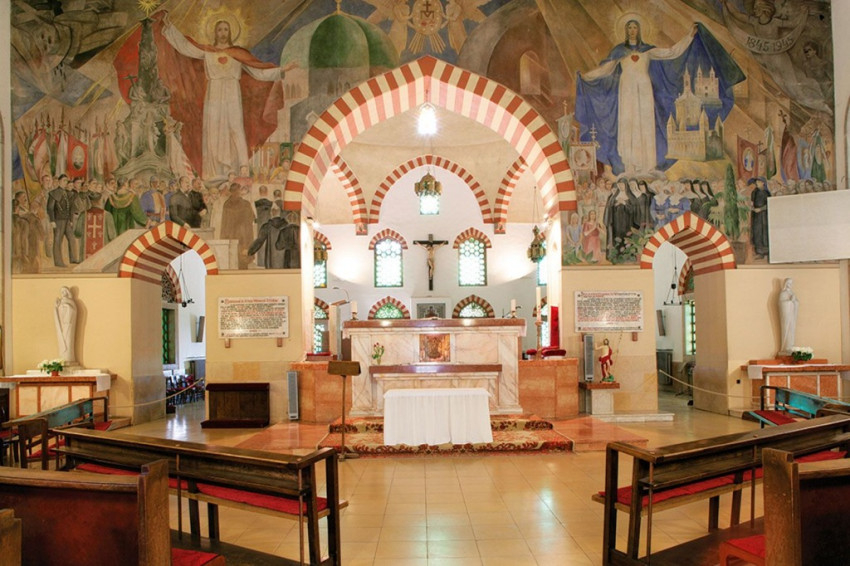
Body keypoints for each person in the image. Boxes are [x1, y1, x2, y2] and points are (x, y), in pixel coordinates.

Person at [156, 11, 297, 180]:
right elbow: (186, 47)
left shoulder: (238, 54)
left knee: (235, 127)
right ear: (215, 32)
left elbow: (258, 71)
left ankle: (241, 168)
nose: (222, 33)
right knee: (213, 128)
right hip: (214, 92)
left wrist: (282, 70)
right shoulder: (208, 52)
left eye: (225, 29)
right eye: (220, 29)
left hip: (232, 91)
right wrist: (169, 28)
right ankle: (213, 172)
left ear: (230, 33)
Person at [577, 20, 697, 174]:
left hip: (644, 89)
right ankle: (630, 167)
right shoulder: (619, 51)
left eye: (635, 27)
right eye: (629, 27)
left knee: (646, 124)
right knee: (628, 125)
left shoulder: (647, 50)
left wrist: (689, 37)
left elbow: (671, 52)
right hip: (627, 90)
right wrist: (586, 77)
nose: (632, 30)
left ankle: (648, 166)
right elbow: (605, 70)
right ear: (626, 30)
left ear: (639, 30)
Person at [54, 286, 78, 364]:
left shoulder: (71, 301)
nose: (63, 293)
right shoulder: (60, 302)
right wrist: (56, 306)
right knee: (61, 339)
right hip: (62, 324)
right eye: (62, 292)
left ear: (68, 292)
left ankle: (69, 358)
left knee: (68, 341)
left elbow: (74, 311)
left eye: (64, 291)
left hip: (69, 324)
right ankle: (62, 359)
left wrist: (67, 306)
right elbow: (57, 312)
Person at [750, 177, 770, 259]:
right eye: (756, 182)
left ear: (763, 183)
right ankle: (759, 252)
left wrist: (761, 209)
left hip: (764, 215)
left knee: (765, 232)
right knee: (757, 232)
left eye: (758, 182)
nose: (757, 183)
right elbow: (752, 202)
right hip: (756, 216)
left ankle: (767, 252)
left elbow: (769, 204)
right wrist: (752, 208)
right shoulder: (754, 192)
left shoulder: (766, 193)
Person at [778, 278, 799, 355]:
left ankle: (791, 346)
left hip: (792, 315)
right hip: (786, 316)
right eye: (789, 283)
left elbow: (797, 303)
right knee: (786, 329)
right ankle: (786, 348)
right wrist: (789, 302)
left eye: (791, 283)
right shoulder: (783, 293)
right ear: (785, 284)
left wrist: (794, 301)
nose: (790, 285)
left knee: (792, 330)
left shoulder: (792, 293)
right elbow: (781, 303)